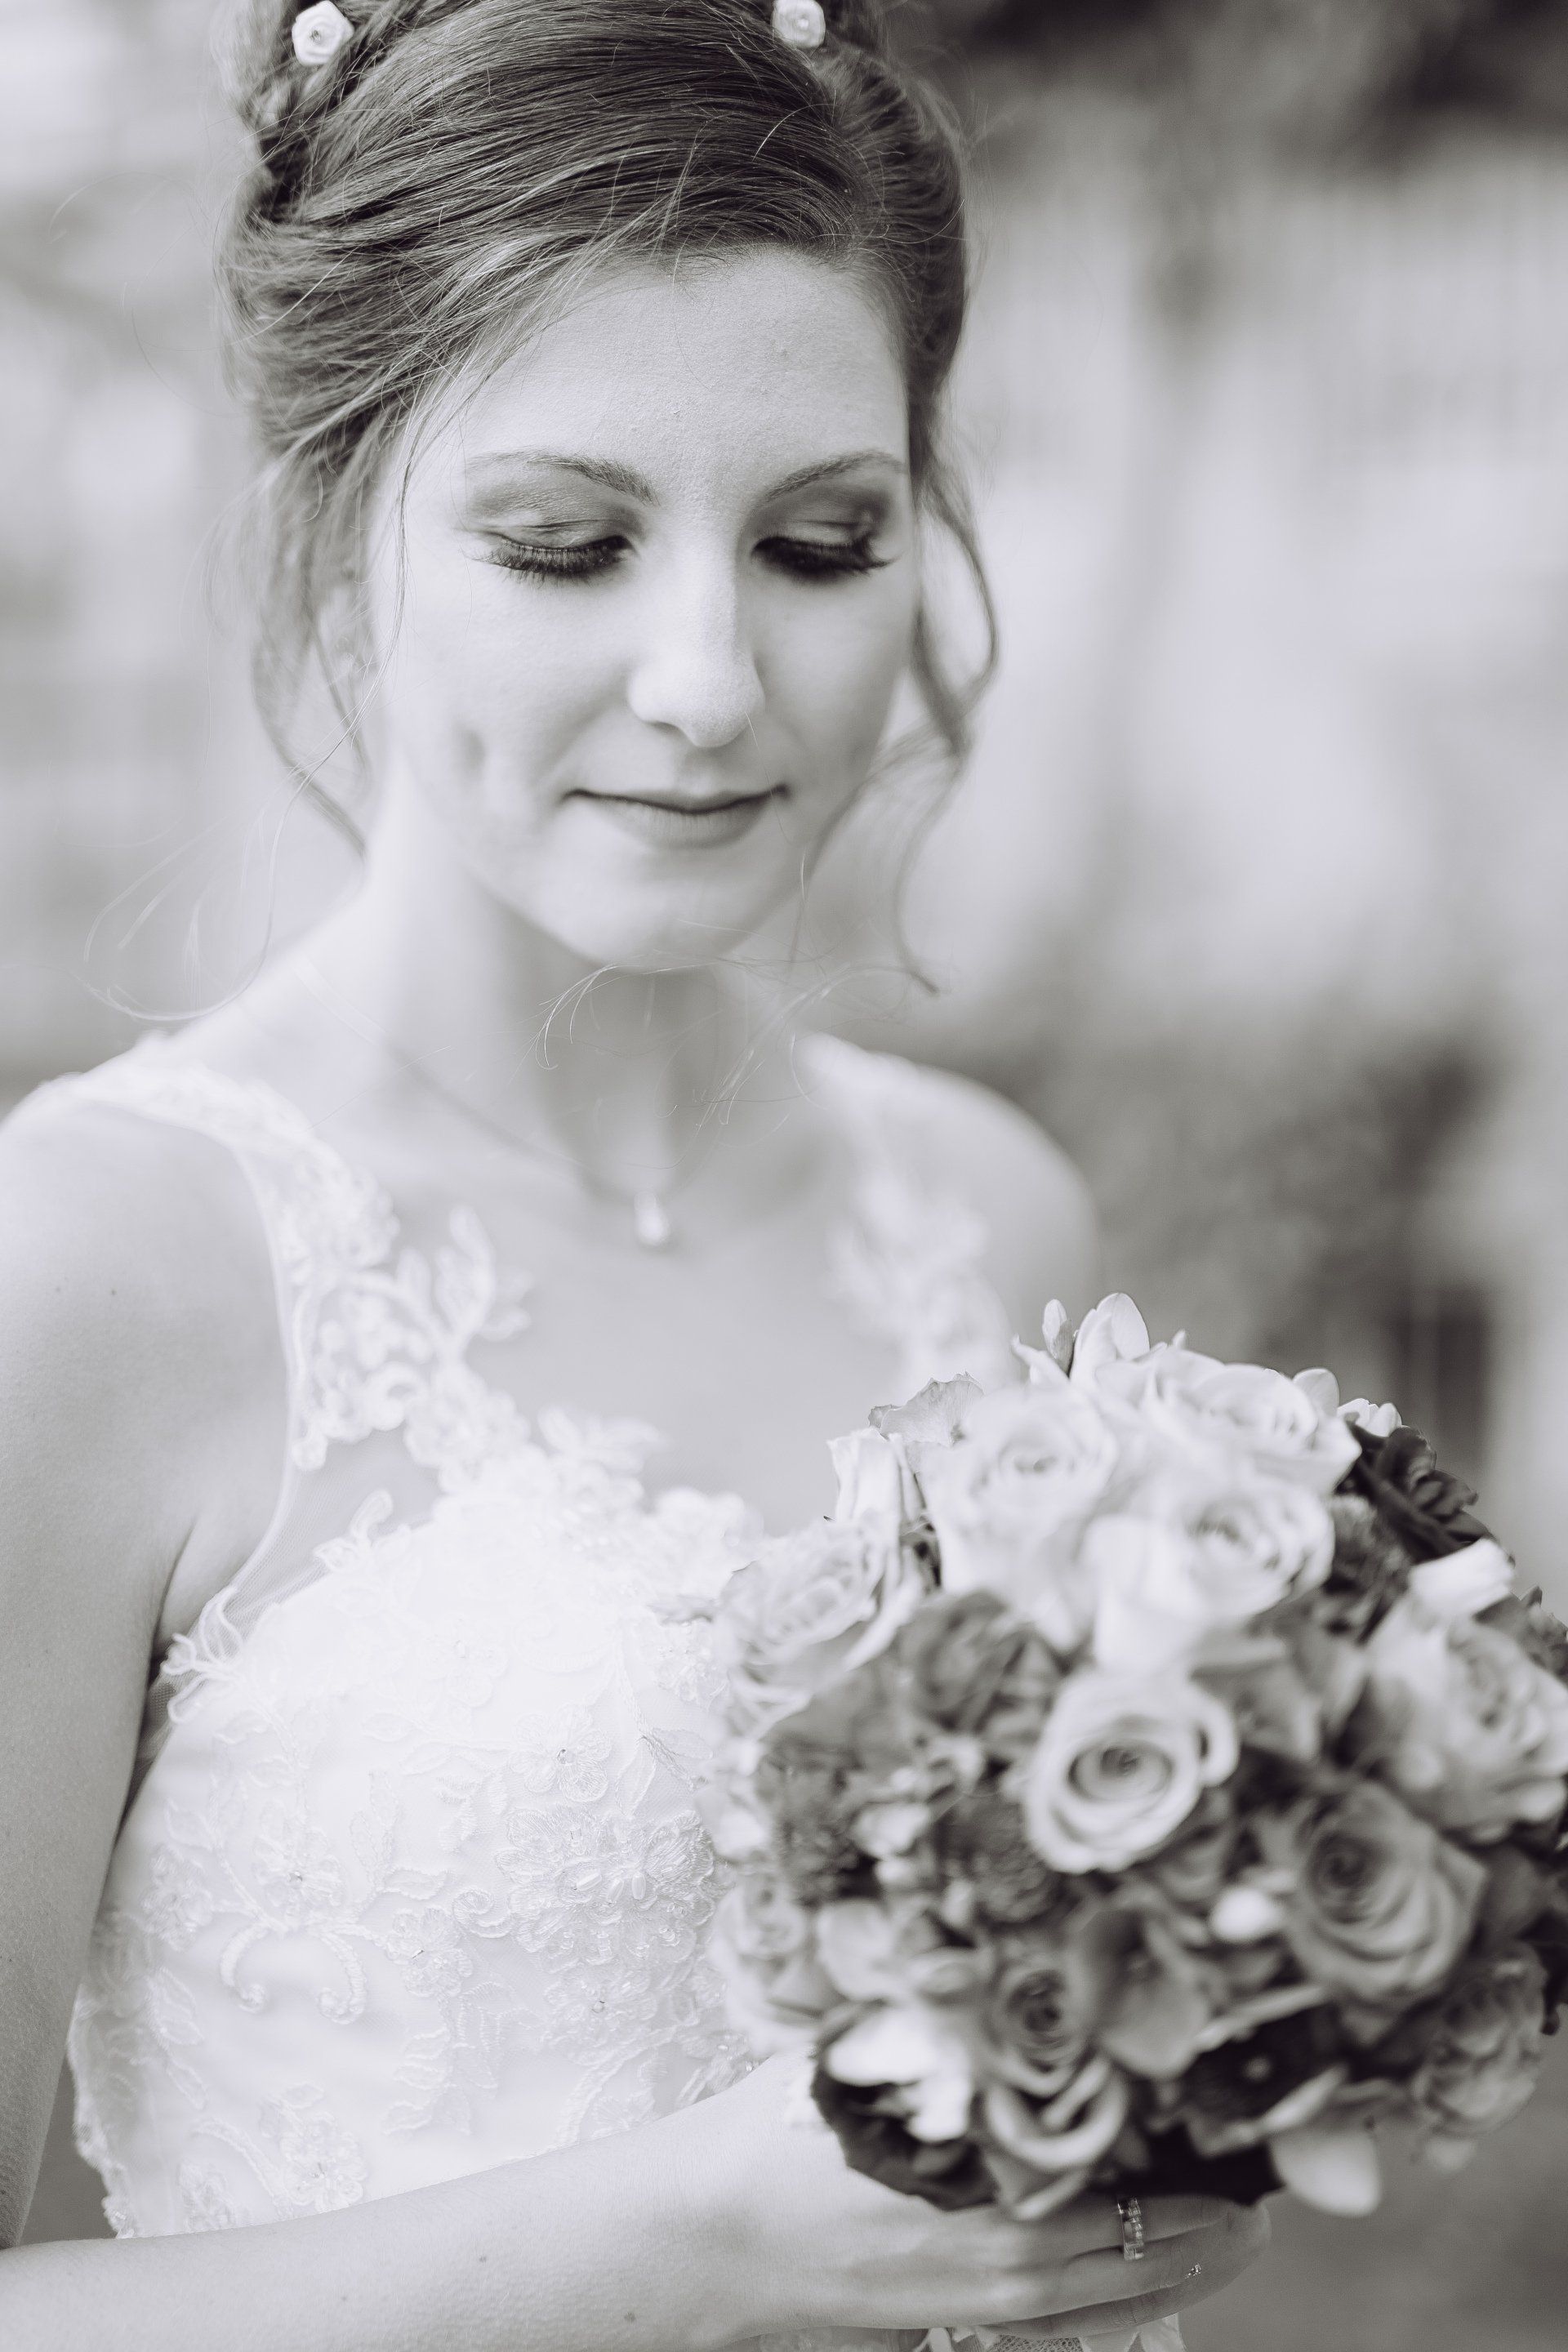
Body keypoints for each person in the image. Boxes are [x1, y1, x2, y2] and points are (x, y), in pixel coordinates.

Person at [0, 1, 1270, 2344]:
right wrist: (698, 2236)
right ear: (340, 529)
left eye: (818, 542)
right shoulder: (94, 1272)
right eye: (567, 544)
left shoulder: (991, 1220)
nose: (709, 680)